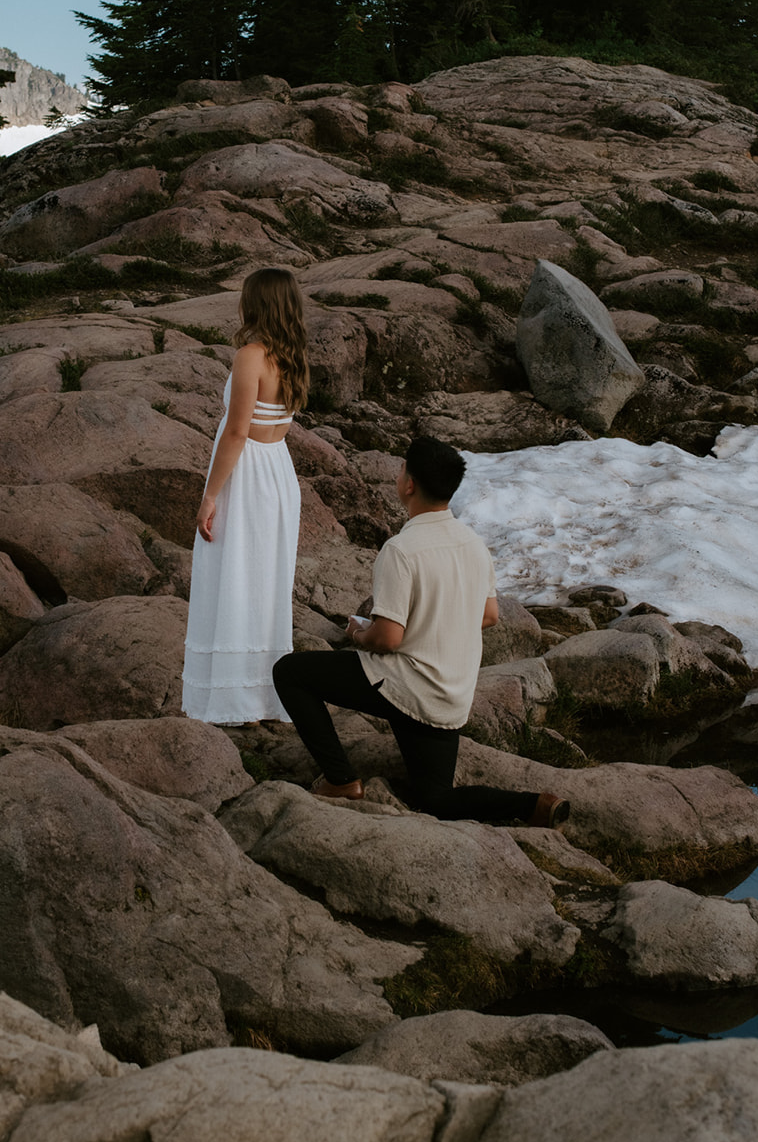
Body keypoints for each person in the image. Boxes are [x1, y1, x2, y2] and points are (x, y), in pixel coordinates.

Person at [272, 435, 570, 827]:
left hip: (404, 686)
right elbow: (490, 615)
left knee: (290, 672)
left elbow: (388, 640)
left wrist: (359, 635)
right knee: (435, 799)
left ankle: (340, 780)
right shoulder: (473, 544)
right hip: (447, 698)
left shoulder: (401, 549)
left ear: (408, 484)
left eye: (401, 469)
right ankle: (534, 805)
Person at [181, 266, 309, 725]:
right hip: (278, 472)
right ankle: (264, 694)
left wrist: (209, 496)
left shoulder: (250, 355)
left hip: (248, 473)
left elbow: (236, 432)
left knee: (233, 577)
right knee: (266, 581)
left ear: (257, 303)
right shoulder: (292, 356)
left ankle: (234, 700)